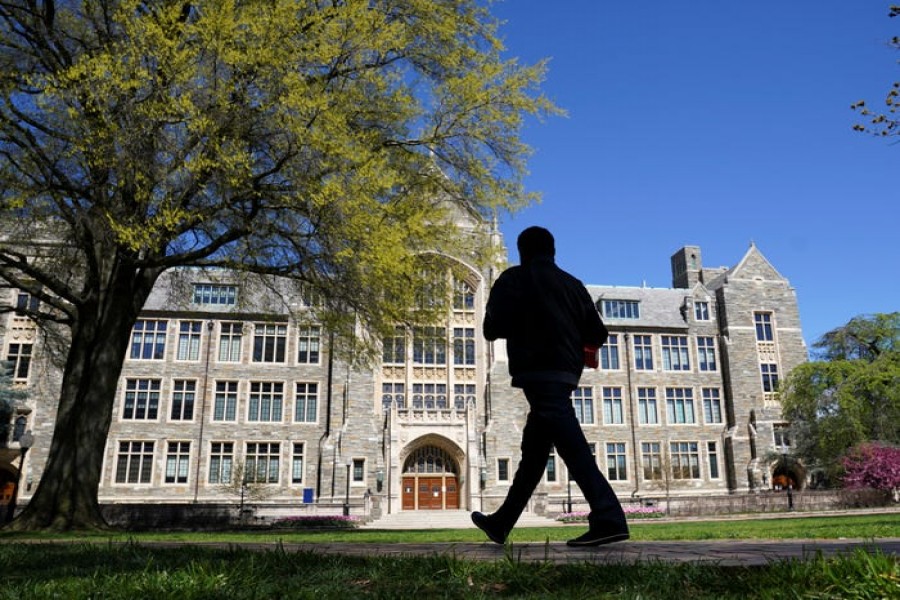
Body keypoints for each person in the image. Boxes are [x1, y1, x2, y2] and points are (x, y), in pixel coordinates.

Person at [471, 226, 629, 547]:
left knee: (572, 445)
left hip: (536, 371)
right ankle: (502, 522)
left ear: (521, 251)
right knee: (535, 452)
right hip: (567, 373)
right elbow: (598, 334)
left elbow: (491, 328)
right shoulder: (573, 285)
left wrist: (524, 320)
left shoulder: (513, 279)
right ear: (553, 251)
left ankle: (609, 517)